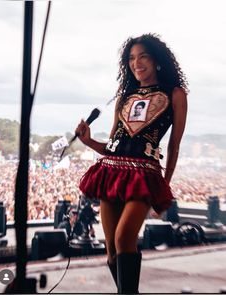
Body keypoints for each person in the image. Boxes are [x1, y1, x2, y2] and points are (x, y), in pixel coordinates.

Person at [75, 33, 188, 294]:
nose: (137, 63)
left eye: (143, 56)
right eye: (131, 58)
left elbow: (173, 145)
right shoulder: (124, 97)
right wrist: (89, 142)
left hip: (145, 175)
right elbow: (112, 144)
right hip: (111, 171)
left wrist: (164, 185)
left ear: (157, 60)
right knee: (112, 249)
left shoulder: (175, 94)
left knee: (124, 238)